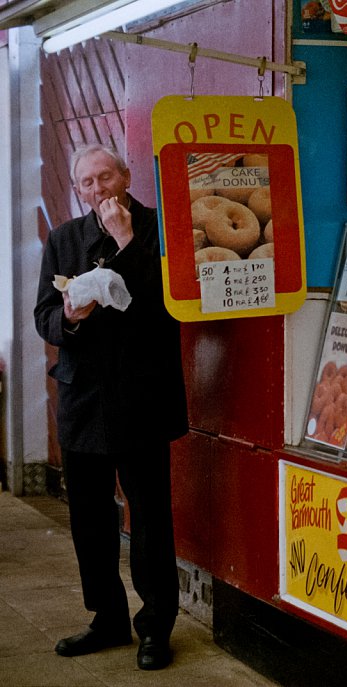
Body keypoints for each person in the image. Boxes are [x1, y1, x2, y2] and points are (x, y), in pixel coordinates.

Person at [34, 144, 187, 671]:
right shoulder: (64, 239)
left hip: (143, 397)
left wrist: (124, 237)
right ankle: (107, 619)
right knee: (90, 518)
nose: (98, 190)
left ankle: (156, 627)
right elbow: (45, 317)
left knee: (149, 517)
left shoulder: (157, 229)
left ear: (125, 176)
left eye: (106, 177)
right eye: (87, 183)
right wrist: (71, 316)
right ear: (77, 190)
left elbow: (166, 307)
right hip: (82, 398)